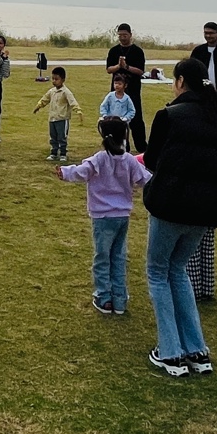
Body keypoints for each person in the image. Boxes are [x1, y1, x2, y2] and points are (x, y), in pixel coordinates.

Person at [142, 58, 217, 378]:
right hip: (205, 211)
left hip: (171, 205)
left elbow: (152, 159)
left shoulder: (170, 115)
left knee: (158, 272)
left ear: (180, 81)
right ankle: (196, 349)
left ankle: (170, 352)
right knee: (178, 270)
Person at [56, 115, 151, 315]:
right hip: (122, 216)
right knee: (118, 257)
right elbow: (146, 179)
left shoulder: (100, 159)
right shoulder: (129, 160)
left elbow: (81, 172)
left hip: (102, 218)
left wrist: (64, 172)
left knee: (102, 257)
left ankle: (104, 297)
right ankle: (120, 299)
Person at [105, 24, 148, 153]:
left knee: (136, 118)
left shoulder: (137, 51)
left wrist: (126, 67)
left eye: (125, 35)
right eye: (120, 35)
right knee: (117, 118)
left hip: (133, 90)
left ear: (130, 35)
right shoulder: (114, 51)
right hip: (117, 91)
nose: (122, 38)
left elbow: (140, 71)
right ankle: (121, 145)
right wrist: (119, 66)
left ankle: (141, 147)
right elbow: (109, 69)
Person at [34, 66, 83, 161]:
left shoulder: (66, 92)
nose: (54, 81)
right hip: (52, 118)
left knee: (62, 137)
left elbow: (72, 102)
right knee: (53, 137)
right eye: (53, 79)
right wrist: (38, 106)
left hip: (62, 119)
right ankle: (54, 152)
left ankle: (63, 154)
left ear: (63, 80)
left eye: (56, 79)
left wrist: (78, 110)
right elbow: (45, 99)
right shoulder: (52, 91)